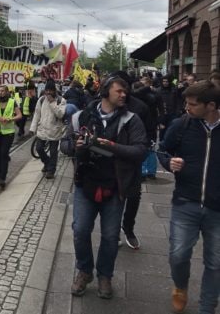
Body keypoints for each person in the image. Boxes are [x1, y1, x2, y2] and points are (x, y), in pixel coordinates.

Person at [62, 76, 146, 300]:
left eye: (125, 92)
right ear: (106, 91)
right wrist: (75, 146)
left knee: (110, 236)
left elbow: (140, 151)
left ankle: (105, 275)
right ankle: (84, 271)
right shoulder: (81, 117)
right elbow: (64, 144)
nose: (123, 95)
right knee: (80, 230)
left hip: (115, 187)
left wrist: (113, 146)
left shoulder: (131, 119)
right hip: (85, 184)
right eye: (119, 91)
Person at [158, 80, 220, 314]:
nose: (187, 108)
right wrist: (169, 162)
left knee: (215, 262)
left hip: (217, 208)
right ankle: (180, 286)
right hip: (186, 202)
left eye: (193, 104)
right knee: (178, 254)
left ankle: (207, 307)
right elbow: (163, 149)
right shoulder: (181, 125)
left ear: (211, 105)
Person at [0, 85, 22, 189]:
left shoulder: (12, 101)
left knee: (4, 154)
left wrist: (10, 119)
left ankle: (3, 177)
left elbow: (19, 115)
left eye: (3, 91)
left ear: (7, 92)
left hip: (8, 132)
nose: (0, 92)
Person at [30, 79, 67, 179]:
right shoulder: (41, 99)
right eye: (47, 90)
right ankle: (47, 162)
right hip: (42, 129)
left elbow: (60, 114)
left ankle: (51, 170)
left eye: (50, 90)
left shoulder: (61, 100)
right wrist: (33, 128)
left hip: (55, 130)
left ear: (54, 90)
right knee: (38, 148)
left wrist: (52, 103)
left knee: (53, 151)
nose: (48, 92)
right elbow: (37, 114)